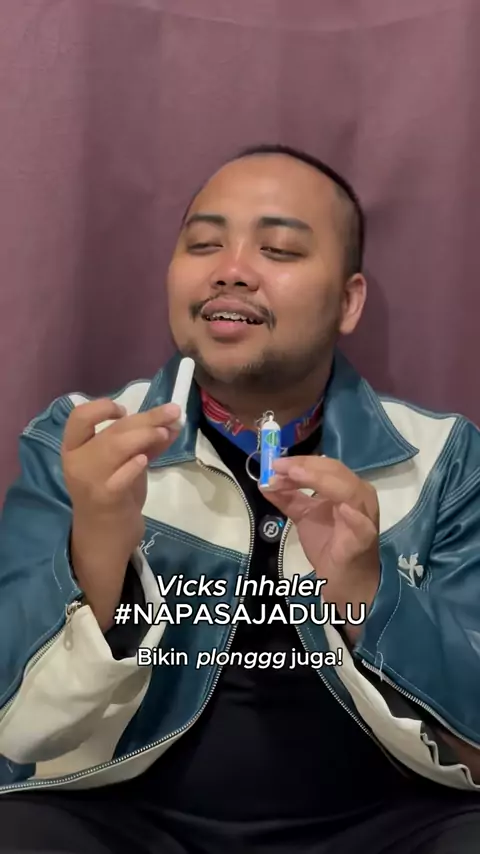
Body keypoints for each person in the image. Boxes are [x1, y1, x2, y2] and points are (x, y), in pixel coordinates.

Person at [0, 143, 479, 854]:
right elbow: (16, 731)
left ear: (348, 301)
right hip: (123, 822)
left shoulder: (443, 458)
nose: (231, 269)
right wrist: (97, 543)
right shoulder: (83, 442)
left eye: (278, 250)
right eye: (203, 244)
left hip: (387, 824)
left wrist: (366, 589)